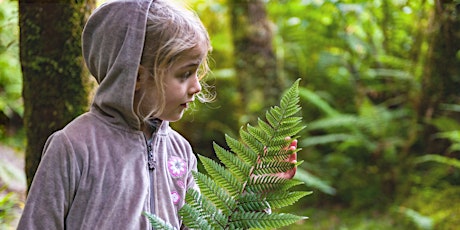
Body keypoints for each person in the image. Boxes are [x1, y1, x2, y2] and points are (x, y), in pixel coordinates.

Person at [17, 0, 297, 229]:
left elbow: (199, 227)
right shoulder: (73, 146)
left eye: (197, 72)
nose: (197, 86)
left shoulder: (180, 151)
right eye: (185, 74)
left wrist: (255, 196)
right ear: (135, 76)